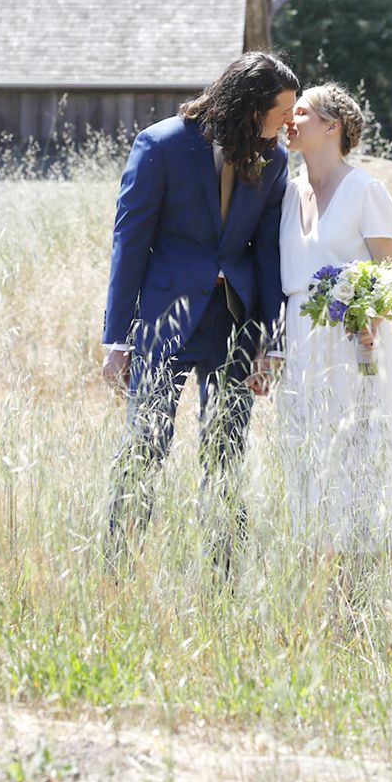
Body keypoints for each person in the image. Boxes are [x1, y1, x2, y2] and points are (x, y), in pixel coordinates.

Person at [101, 51, 298, 563]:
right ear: (250, 106)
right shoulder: (162, 144)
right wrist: (117, 338)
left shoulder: (274, 159)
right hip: (164, 321)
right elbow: (130, 241)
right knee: (146, 446)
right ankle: (115, 570)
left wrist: (271, 342)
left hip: (236, 321)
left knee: (226, 453)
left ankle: (222, 582)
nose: (288, 124)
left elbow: (270, 254)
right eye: (280, 113)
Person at [274, 83, 392, 553]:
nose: (288, 119)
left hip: (350, 338)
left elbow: (390, 271)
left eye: (301, 111)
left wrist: (367, 316)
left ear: (332, 126)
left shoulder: (364, 190)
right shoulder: (287, 193)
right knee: (304, 449)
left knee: (354, 452)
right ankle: (315, 557)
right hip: (298, 337)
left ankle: (362, 566)